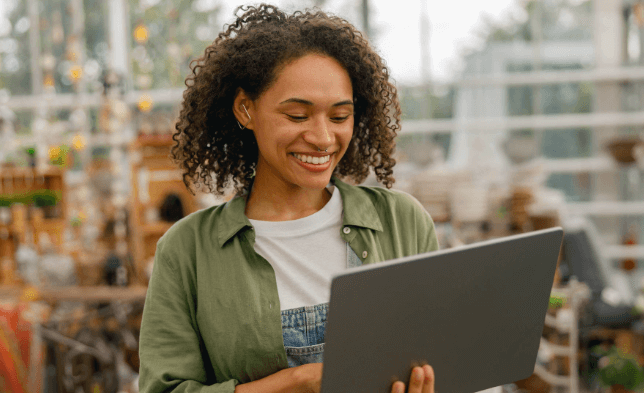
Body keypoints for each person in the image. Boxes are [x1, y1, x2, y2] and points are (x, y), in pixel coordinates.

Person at [138, 4, 439, 393]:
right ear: (246, 109)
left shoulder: (403, 222)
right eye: (297, 115)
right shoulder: (187, 251)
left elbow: (440, 355)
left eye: (339, 116)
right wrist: (293, 383)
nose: (322, 138)